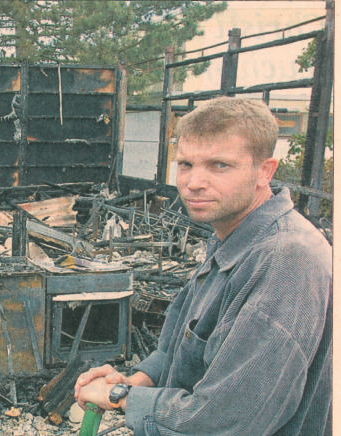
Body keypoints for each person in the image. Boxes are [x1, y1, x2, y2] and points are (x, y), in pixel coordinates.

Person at [74, 96, 332, 435]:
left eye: (219, 165)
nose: (194, 182)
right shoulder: (232, 238)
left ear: (264, 171)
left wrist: (121, 396)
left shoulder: (287, 261)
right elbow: (183, 350)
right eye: (185, 165)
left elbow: (227, 419)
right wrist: (133, 380)